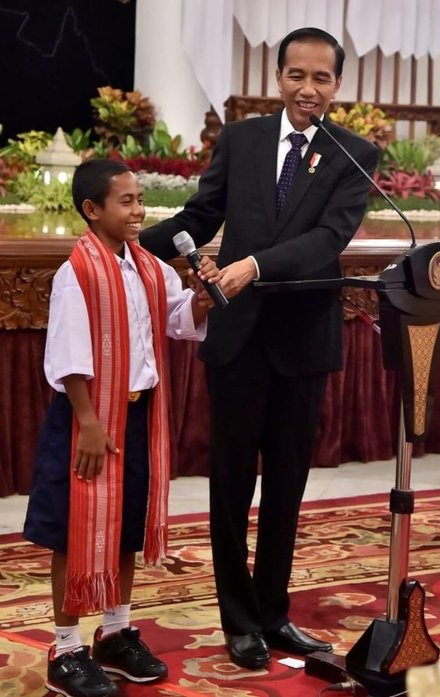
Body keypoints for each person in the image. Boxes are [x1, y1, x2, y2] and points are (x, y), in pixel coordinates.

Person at [139, 27, 379, 670]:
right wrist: (129, 247)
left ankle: (274, 614)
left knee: (287, 490)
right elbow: (200, 215)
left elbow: (327, 239)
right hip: (238, 340)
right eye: (297, 75)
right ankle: (238, 619)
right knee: (230, 487)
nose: (308, 89)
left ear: (336, 85)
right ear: (279, 78)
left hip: (303, 344)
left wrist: (251, 266)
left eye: (322, 78)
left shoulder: (354, 155)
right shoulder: (240, 140)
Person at [23, 158, 221, 697]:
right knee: (74, 527)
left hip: (138, 414)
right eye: (127, 202)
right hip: (87, 419)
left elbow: (177, 320)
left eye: (140, 200)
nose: (140, 212)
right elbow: (66, 354)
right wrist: (86, 421)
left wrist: (201, 301)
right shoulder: (78, 272)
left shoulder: (147, 266)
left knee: (127, 524)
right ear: (93, 210)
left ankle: (115, 632)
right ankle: (66, 647)